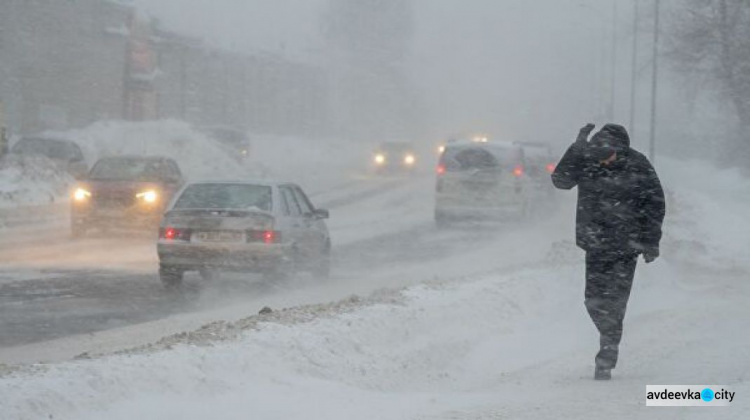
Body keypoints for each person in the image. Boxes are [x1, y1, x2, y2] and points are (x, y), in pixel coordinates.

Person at [551, 123, 665, 380]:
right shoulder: (588, 160)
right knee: (592, 299)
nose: (604, 162)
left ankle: (608, 349)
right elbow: (561, 181)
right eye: (600, 157)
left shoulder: (638, 165)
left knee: (616, 300)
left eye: (608, 156)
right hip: (596, 243)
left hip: (627, 246)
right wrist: (577, 148)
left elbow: (655, 204)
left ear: (620, 149)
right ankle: (608, 334)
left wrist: (651, 241)